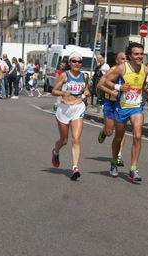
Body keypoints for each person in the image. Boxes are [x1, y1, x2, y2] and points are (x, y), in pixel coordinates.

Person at [102, 42, 148, 181]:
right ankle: (113, 162)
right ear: (129, 55)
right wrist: (118, 87)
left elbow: (141, 84)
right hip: (122, 106)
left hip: (136, 107)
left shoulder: (146, 69)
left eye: (141, 54)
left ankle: (133, 169)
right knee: (118, 137)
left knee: (137, 136)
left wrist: (146, 90)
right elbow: (106, 81)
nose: (139, 56)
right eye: (136, 54)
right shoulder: (122, 68)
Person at [51, 52, 90, 181]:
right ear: (69, 63)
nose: (77, 64)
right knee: (64, 140)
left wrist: (86, 92)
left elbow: (87, 88)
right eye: (74, 61)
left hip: (78, 108)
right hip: (64, 109)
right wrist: (63, 92)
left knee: (76, 139)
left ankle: (75, 168)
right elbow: (53, 91)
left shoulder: (84, 76)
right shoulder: (64, 75)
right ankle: (55, 151)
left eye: (79, 62)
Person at [96, 52, 127, 167]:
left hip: (123, 104)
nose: (125, 61)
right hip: (110, 102)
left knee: (121, 131)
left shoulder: (129, 71)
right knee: (110, 132)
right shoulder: (111, 71)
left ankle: (118, 155)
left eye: (126, 59)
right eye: (122, 59)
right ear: (117, 61)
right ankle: (104, 131)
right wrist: (111, 92)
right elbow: (99, 85)